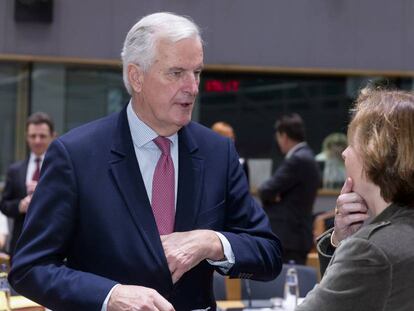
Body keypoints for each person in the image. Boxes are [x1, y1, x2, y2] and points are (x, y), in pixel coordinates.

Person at [9, 12, 282, 311]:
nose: (192, 87)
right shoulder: (75, 156)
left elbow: (267, 253)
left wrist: (211, 242)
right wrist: (110, 296)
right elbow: (29, 268)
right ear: (136, 77)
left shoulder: (218, 152)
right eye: (176, 73)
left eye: (198, 72)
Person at [297, 89, 414, 310]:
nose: (344, 154)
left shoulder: (371, 251)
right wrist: (341, 241)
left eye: (351, 144)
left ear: (374, 154)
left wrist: (349, 245)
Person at [258, 113, 320, 265]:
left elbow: (265, 190)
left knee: (287, 284)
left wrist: (276, 195)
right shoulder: (309, 156)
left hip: (290, 237)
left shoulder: (297, 159)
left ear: (284, 136)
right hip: (297, 235)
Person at [0, 112, 55, 256]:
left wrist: (43, 193)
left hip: (51, 243)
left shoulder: (59, 169)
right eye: (33, 136)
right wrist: (20, 206)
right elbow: (4, 205)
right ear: (26, 137)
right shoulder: (15, 170)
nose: (37, 141)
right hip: (20, 244)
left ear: (52, 136)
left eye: (42, 136)